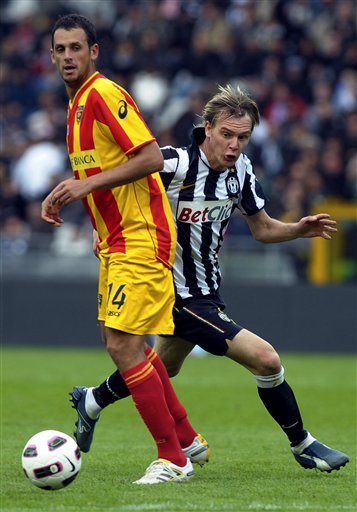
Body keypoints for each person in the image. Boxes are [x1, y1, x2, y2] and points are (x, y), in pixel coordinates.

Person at [70, 84, 349, 474]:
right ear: (207, 128)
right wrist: (105, 230)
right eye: (227, 135)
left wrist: (298, 229)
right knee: (266, 359)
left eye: (243, 137)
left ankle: (93, 400)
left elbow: (263, 229)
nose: (234, 145)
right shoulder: (172, 164)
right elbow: (120, 189)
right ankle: (303, 443)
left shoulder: (243, 172)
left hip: (207, 291)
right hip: (174, 292)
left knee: (161, 369)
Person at [41, 13, 211, 485]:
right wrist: (85, 203)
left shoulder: (103, 94)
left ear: (94, 52)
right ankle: (188, 439)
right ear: (52, 55)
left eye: (77, 47)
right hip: (117, 239)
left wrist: (85, 186)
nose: (69, 56)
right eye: (61, 49)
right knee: (126, 342)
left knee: (122, 344)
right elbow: (104, 173)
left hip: (141, 236)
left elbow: (151, 157)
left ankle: (172, 458)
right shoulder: (76, 107)